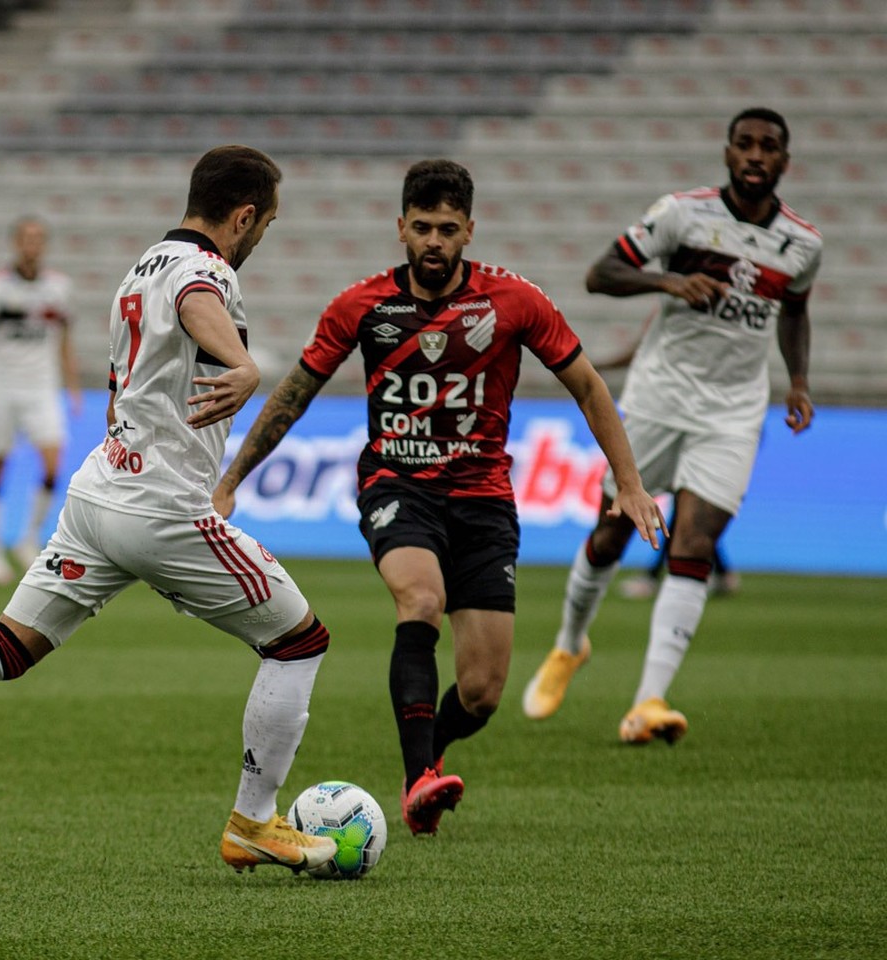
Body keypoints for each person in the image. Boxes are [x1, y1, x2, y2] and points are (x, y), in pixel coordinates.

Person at [0, 145, 337, 876]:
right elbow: (199, 302)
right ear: (243, 216)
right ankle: (255, 822)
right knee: (299, 641)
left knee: (10, 645)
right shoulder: (206, 272)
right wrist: (242, 364)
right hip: (164, 510)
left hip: (99, 492)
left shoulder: (139, 267)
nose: (261, 236)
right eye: (264, 223)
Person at [213, 159, 666, 837]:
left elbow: (590, 387)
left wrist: (629, 483)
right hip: (397, 486)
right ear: (401, 226)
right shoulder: (362, 306)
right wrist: (229, 482)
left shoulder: (515, 302)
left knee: (482, 694)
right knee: (419, 599)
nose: (433, 240)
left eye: (447, 229)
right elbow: (296, 394)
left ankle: (429, 759)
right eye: (421, 226)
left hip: (484, 499)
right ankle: (420, 778)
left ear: (469, 231)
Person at [523, 107, 819, 743]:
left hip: (735, 410)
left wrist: (796, 380)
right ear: (728, 153)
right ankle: (570, 644)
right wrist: (670, 281)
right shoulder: (682, 214)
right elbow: (599, 274)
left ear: (785, 162)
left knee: (695, 545)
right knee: (610, 536)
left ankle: (648, 702)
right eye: (745, 144)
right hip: (659, 398)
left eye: (769, 147)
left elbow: (794, 312)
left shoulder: (802, 244)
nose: (756, 155)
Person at [0, 216, 79, 585]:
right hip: (1, 386)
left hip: (42, 386)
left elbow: (63, 340)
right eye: (27, 238)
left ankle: (28, 537)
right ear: (16, 242)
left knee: (52, 463)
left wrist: (72, 384)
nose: (33, 244)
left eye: (38, 238)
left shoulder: (58, 287)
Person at [594, 312, 740, 601]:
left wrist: (594, 367)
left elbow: (642, 351)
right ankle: (722, 573)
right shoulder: (673, 306)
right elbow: (643, 350)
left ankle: (654, 576)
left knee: (688, 504)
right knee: (687, 505)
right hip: (690, 419)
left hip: (712, 423)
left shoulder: (708, 314)